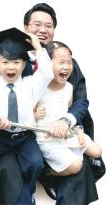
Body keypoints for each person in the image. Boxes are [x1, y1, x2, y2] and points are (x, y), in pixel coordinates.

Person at [0, 3, 105, 205]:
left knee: (80, 166)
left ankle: (52, 177)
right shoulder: (7, 62)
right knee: (9, 172)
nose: (43, 30)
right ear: (26, 28)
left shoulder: (65, 62)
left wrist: (66, 121)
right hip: (16, 136)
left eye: (49, 26)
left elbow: (80, 99)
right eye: (37, 24)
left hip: (55, 135)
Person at [0, 27, 54, 205]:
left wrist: (38, 47)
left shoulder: (31, 85)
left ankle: (29, 191)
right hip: (0, 136)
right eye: (5, 62)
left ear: (23, 65)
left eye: (16, 62)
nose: (10, 67)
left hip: (24, 137)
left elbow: (47, 73)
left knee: (36, 164)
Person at [34, 41, 102, 177]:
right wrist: (34, 114)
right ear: (46, 64)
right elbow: (25, 114)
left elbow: (68, 110)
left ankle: (70, 154)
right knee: (76, 166)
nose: (67, 67)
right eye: (61, 62)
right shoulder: (37, 88)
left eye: (69, 62)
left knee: (97, 151)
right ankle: (48, 174)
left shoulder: (69, 88)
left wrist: (77, 130)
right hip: (47, 138)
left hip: (67, 133)